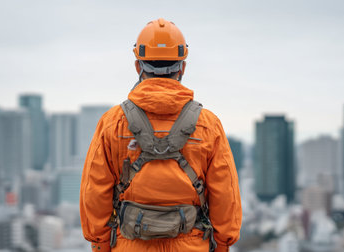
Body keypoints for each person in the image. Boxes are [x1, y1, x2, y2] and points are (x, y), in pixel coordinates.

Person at [80, 18, 242, 252]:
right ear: (182, 67)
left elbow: (93, 193)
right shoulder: (208, 125)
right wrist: (222, 244)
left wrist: (101, 244)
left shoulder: (113, 123)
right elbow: (226, 195)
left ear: (138, 67)